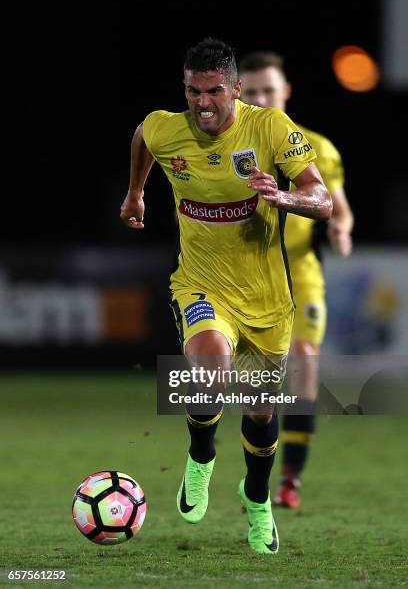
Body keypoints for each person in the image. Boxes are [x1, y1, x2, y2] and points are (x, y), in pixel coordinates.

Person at [120, 38, 332, 554]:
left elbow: (321, 198)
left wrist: (284, 197)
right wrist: (135, 192)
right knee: (209, 372)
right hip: (200, 283)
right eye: (193, 92)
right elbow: (142, 138)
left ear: (236, 89)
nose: (204, 103)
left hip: (266, 298)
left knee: (260, 411)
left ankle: (257, 501)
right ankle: (201, 458)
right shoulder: (167, 126)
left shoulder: (270, 129)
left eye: (215, 91)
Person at [239, 51, 354, 509]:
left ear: (286, 92)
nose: (262, 99)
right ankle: (256, 476)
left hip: (301, 273)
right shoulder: (230, 149)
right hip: (248, 278)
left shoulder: (318, 149)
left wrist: (340, 228)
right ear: (236, 95)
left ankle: (291, 479)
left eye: (269, 90)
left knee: (304, 360)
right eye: (252, 92)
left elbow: (339, 209)